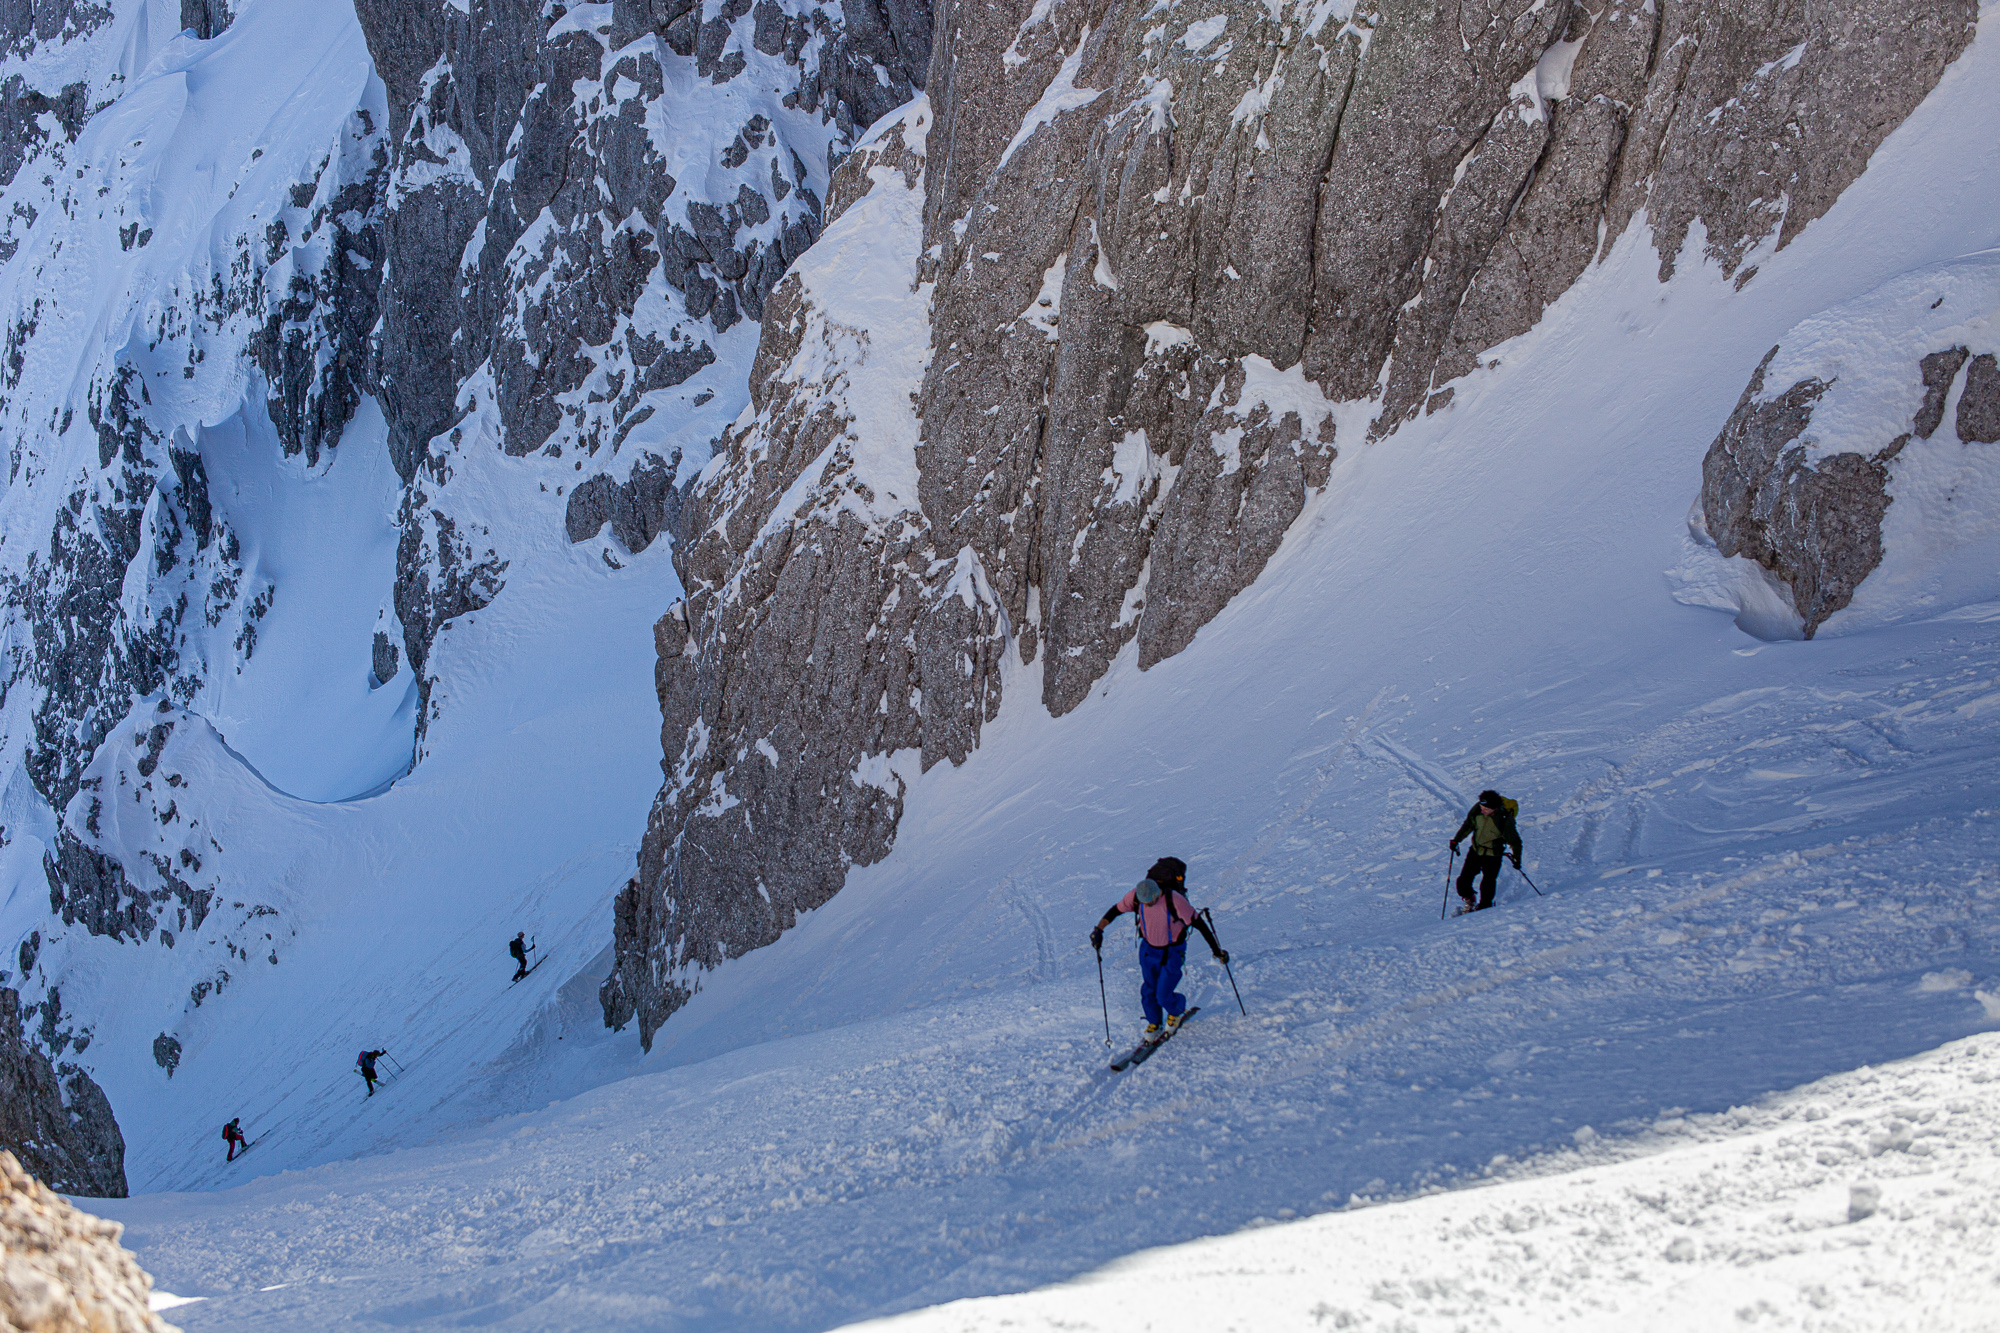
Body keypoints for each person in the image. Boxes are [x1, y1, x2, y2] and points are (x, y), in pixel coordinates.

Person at [1089, 857, 1228, 1043]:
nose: (1146, 905)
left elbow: (1199, 924)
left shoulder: (1175, 900)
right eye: (1143, 903)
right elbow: (1115, 910)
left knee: (1163, 993)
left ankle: (1177, 1010)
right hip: (1148, 950)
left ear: (1157, 893)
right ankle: (1154, 1022)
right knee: (1148, 991)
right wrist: (1099, 929)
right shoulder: (1137, 896)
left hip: (1172, 952)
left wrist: (1216, 950)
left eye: (1150, 902)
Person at [1449, 790, 1522, 913]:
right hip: (1476, 851)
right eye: (1482, 807)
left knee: (1488, 883)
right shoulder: (1477, 810)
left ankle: (1485, 908)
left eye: (1486, 809)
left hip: (1494, 855)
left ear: (1495, 808)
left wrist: (1517, 859)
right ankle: (1470, 899)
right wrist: (1457, 840)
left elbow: (1515, 841)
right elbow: (1468, 825)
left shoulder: (1504, 819)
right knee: (1463, 880)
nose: (1483, 810)